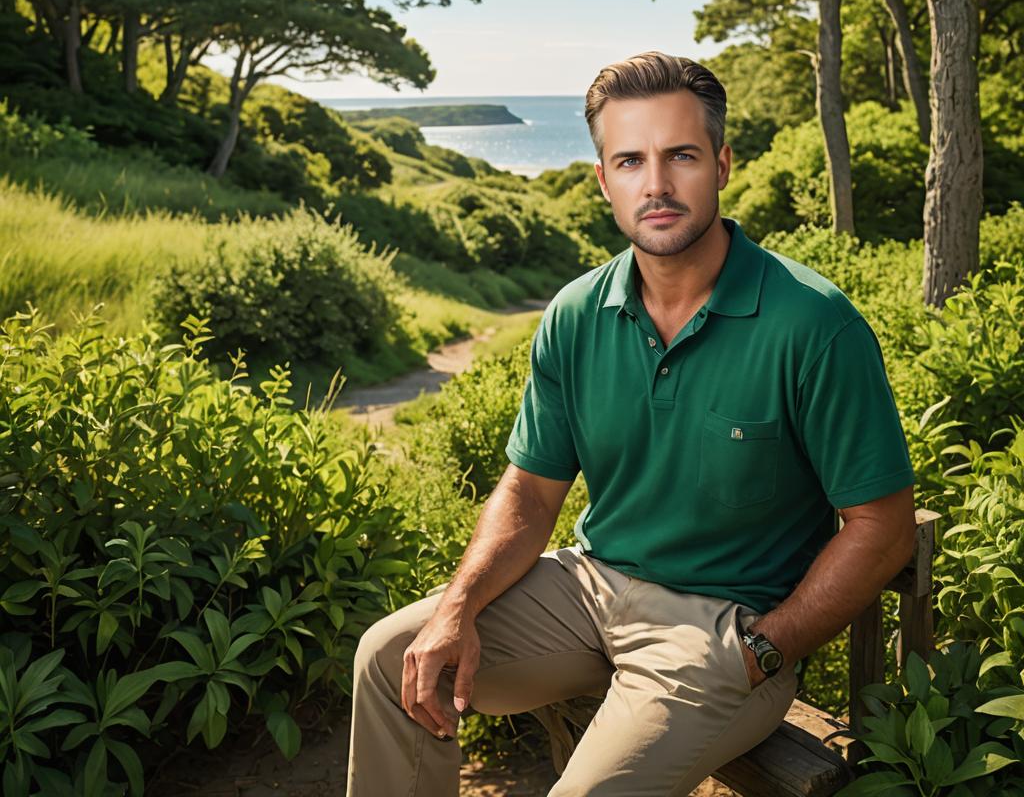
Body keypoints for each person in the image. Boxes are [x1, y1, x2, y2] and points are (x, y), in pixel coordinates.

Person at [345, 52, 917, 797]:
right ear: (603, 179)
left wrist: (766, 652)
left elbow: (882, 524)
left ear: (721, 163)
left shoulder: (813, 324)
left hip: (720, 634)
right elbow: (529, 491)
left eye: (681, 155)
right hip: (589, 589)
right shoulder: (576, 314)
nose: (656, 185)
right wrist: (458, 609)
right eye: (630, 160)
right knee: (390, 658)